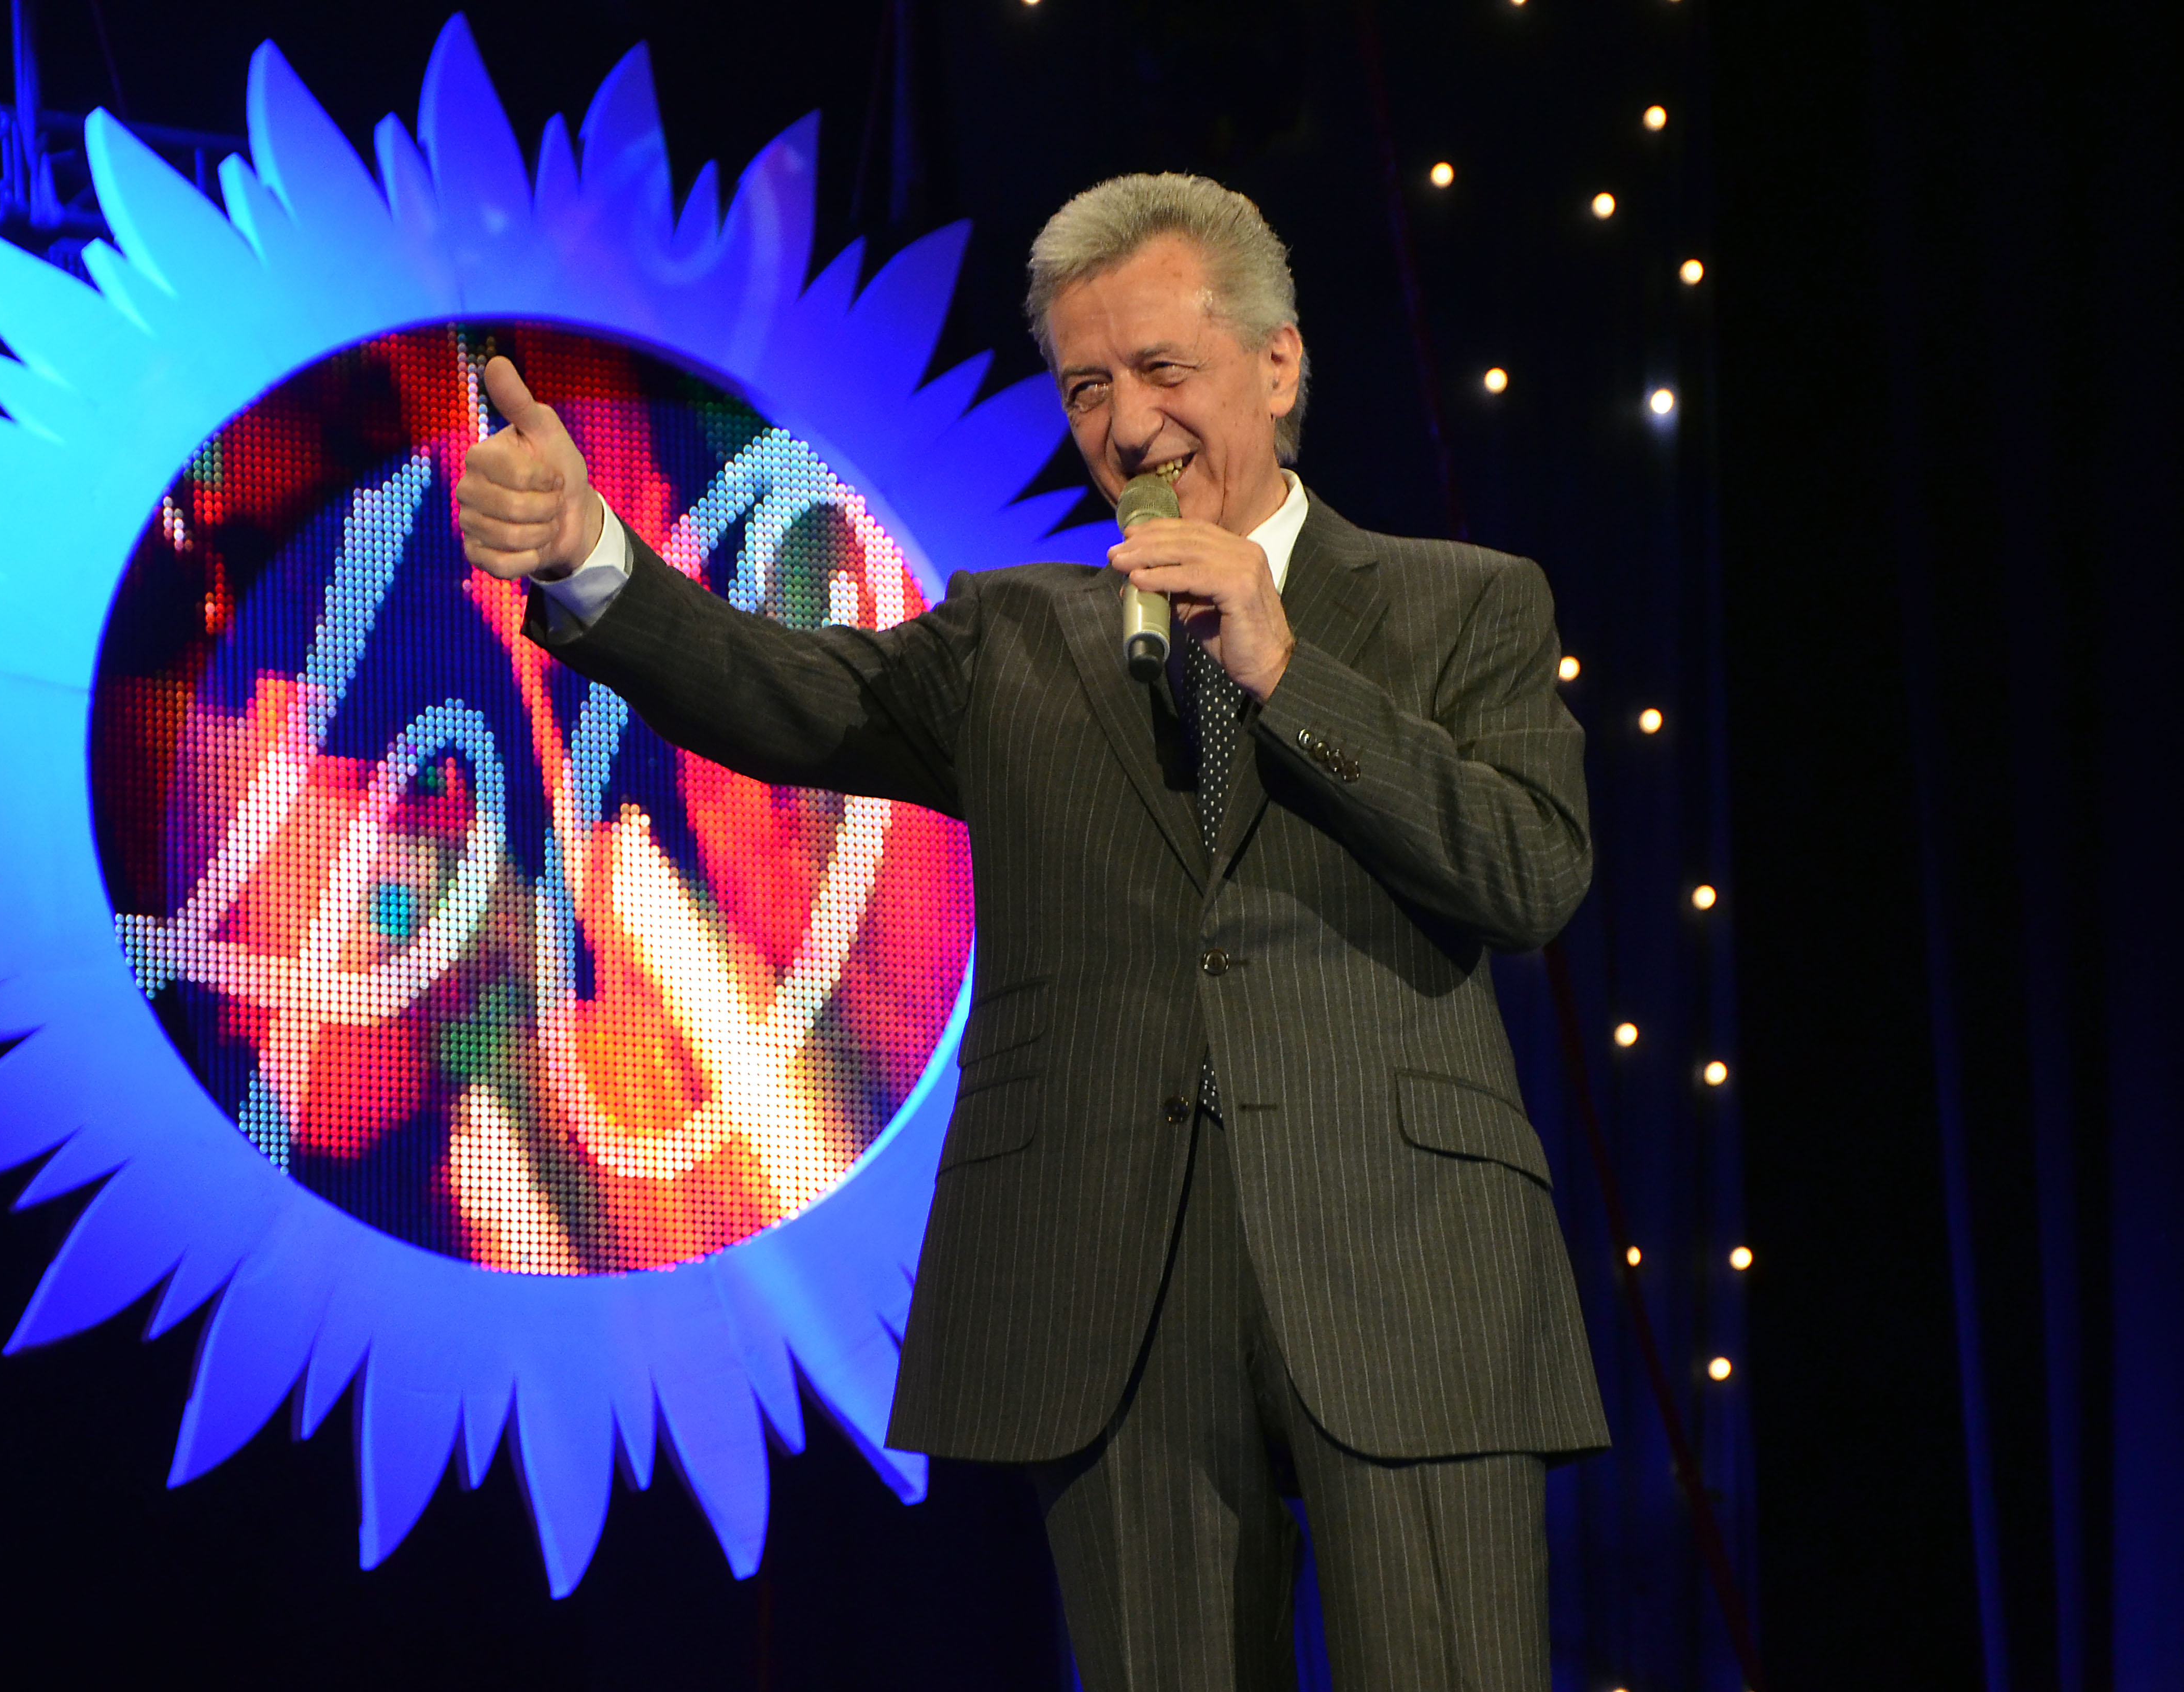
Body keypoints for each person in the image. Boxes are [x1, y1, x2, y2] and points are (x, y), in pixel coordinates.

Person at [456, 173, 1605, 1691]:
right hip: (1112, 1287)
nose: (1126, 427)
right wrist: (591, 555)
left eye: (1162, 370)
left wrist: (1284, 669)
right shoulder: (1017, 633)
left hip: (1405, 1263)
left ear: (1278, 365)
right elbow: (784, 696)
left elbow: (1529, 871)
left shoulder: (1466, 606)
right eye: (1086, 387)